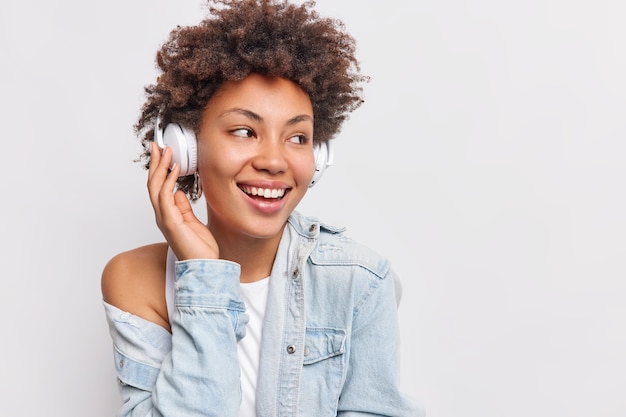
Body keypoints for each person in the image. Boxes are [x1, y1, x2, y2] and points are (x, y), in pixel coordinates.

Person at [101, 0, 423, 415]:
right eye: (244, 131)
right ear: (188, 149)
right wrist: (204, 276)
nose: (274, 161)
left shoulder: (360, 281)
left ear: (318, 157)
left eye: (298, 137)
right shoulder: (133, 280)